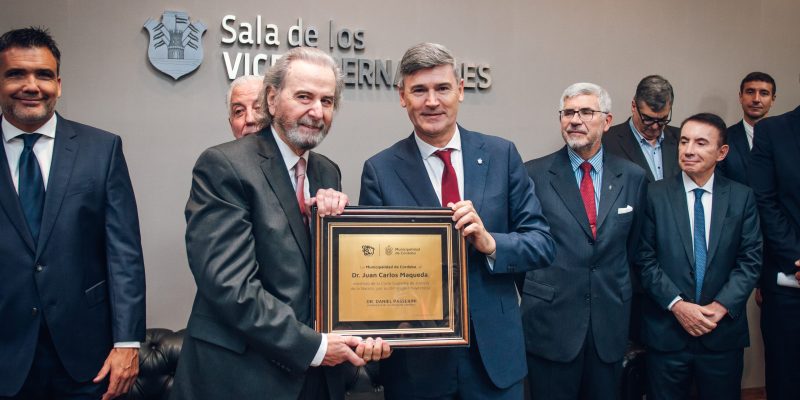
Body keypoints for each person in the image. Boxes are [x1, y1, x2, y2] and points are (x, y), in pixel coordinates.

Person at [171, 46, 389, 400]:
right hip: (243, 378)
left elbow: (324, 278)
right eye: (304, 96)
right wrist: (315, 346)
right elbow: (231, 286)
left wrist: (369, 326)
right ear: (272, 99)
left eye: (327, 101)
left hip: (317, 379)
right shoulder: (224, 165)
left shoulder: (325, 170)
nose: (316, 111)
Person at [359, 42, 555, 400]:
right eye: (419, 90)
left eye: (442, 88)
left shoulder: (501, 155)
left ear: (460, 91)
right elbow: (373, 272)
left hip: (495, 359)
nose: (431, 101)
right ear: (402, 97)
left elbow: (541, 243)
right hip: (418, 364)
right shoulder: (380, 170)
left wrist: (491, 243)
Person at [0, 27, 146, 400]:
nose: (31, 86)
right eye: (16, 73)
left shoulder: (102, 149)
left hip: (87, 361)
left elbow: (124, 255)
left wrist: (128, 342)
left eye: (43, 75)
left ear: (59, 84)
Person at [522, 82, 646, 399]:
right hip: (550, 324)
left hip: (609, 325)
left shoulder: (632, 177)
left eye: (586, 112)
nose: (575, 120)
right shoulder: (533, 175)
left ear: (606, 121)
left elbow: (634, 249)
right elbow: (523, 249)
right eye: (568, 113)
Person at [637, 113, 761, 400]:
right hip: (667, 333)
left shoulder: (742, 197)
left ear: (722, 152)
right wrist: (679, 306)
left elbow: (750, 260)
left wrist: (719, 308)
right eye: (684, 141)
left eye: (700, 143)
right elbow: (644, 258)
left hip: (722, 334)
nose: (689, 150)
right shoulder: (654, 195)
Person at [747, 104, 800, 400]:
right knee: (786, 378)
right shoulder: (773, 130)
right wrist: (796, 255)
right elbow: (764, 200)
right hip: (788, 281)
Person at [603, 74, 681, 183]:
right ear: (634, 106)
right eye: (648, 119)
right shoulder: (606, 141)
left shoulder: (683, 140)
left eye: (663, 119)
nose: (655, 126)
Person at [717, 72, 776, 185]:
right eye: (750, 92)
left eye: (764, 93)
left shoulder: (785, 138)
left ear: (772, 99)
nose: (756, 99)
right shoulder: (724, 137)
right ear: (740, 96)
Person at [226, 74, 264, 139]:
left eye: (258, 108)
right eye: (239, 111)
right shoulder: (216, 149)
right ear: (231, 125)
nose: (250, 119)